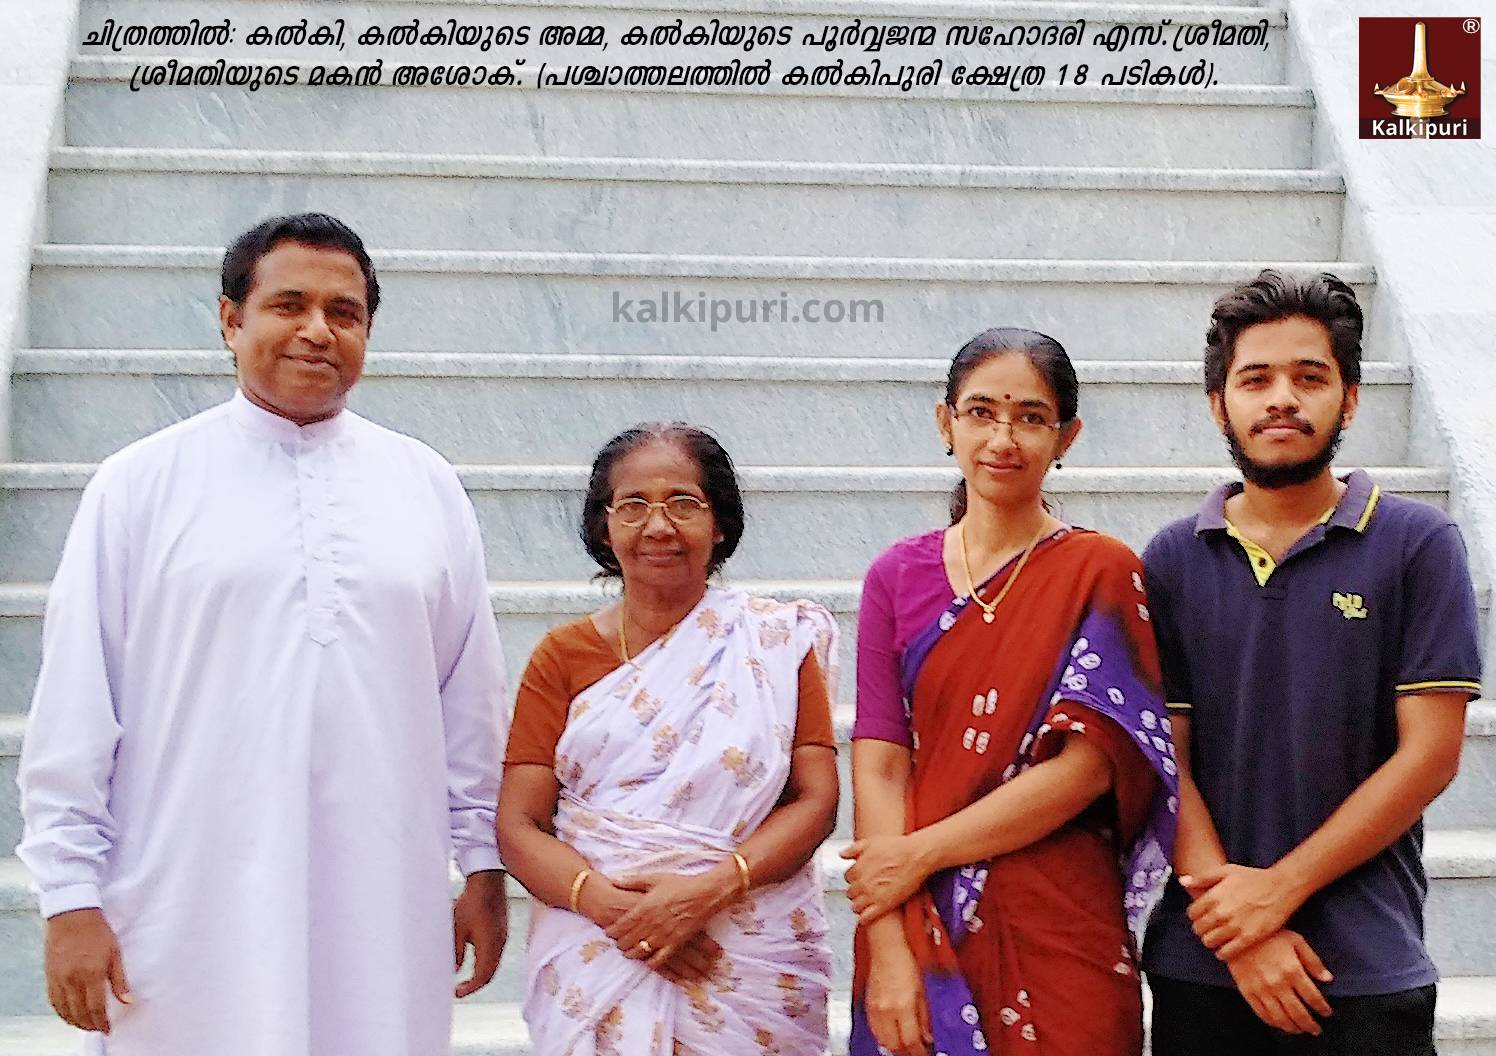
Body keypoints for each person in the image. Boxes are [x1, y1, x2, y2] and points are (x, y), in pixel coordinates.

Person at [16, 213, 511, 1055]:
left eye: (345, 313)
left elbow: (470, 702)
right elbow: (74, 705)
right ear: (230, 320)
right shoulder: (139, 486)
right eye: (289, 304)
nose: (318, 331)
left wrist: (485, 868)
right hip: (183, 903)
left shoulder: (425, 486)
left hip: (380, 903)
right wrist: (68, 897)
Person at [1141, 270, 1481, 1055]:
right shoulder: (1171, 560)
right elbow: (1166, 761)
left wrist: (1279, 891)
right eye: (1255, 379)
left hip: (1363, 965)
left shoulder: (1417, 546)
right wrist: (1241, 929)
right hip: (1205, 962)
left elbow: (1429, 756)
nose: (1281, 398)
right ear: (1218, 403)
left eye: (1310, 376)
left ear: (1351, 398)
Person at [842, 327, 1180, 1056]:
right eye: (981, 412)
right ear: (946, 423)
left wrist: (923, 852)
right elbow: (880, 759)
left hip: (1058, 915)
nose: (1004, 438)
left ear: (1068, 436)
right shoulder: (895, 577)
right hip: (913, 915)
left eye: (1031, 417)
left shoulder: (1101, 571)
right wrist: (890, 944)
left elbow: (1088, 767)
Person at [497, 423, 840, 1056]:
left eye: (684, 503)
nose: (658, 526)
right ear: (604, 528)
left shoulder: (774, 645)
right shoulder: (562, 657)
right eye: (633, 506)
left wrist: (708, 892)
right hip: (598, 949)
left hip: (746, 953)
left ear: (721, 526)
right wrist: (614, 911)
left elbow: (815, 800)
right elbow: (519, 823)